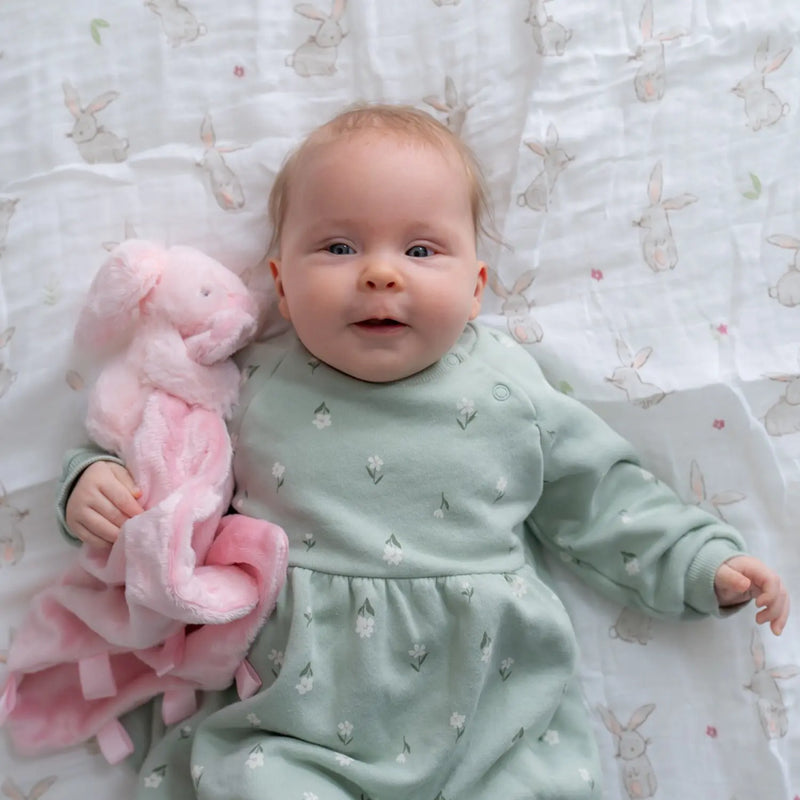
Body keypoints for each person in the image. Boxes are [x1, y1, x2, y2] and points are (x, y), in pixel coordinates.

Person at [61, 104, 789, 800]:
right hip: (295, 715)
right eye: (339, 247)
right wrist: (91, 482)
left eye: (420, 249)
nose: (381, 272)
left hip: (490, 709)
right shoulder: (247, 384)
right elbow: (161, 467)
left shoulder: (510, 387)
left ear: (475, 290)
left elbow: (601, 497)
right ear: (281, 284)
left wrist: (697, 561)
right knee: (252, 779)